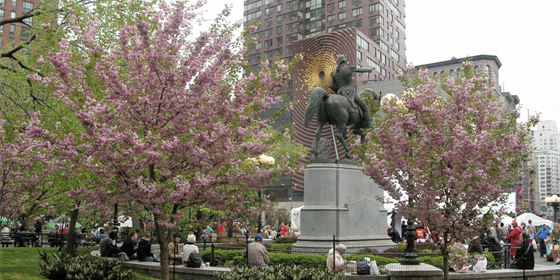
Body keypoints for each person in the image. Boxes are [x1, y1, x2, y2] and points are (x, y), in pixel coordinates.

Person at [329, 55, 375, 128]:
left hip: (340, 93)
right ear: (344, 61)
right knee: (365, 108)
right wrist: (369, 70)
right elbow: (360, 70)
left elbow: (331, 85)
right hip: (350, 92)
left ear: (338, 62)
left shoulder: (334, 73)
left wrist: (338, 90)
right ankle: (369, 127)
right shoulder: (349, 68)